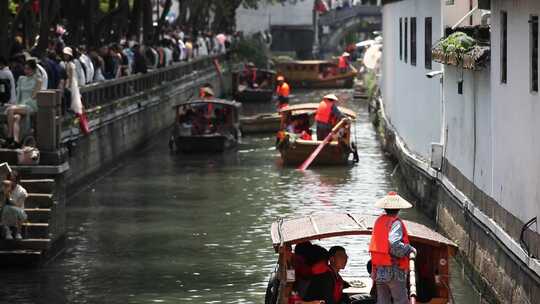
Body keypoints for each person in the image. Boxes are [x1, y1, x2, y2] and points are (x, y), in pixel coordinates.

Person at [369, 191, 417, 304]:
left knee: (382, 301)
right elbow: (394, 244)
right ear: (398, 209)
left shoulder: (378, 221)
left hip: (379, 269)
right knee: (401, 300)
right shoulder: (395, 223)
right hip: (393, 269)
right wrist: (410, 249)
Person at [5, 60, 42, 148]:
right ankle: (16, 141)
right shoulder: (21, 79)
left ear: (33, 70)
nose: (26, 71)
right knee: (16, 117)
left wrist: (17, 106)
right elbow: (19, 95)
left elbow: (33, 96)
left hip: (31, 105)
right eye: (25, 69)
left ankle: (9, 136)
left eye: (28, 69)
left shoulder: (38, 80)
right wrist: (17, 105)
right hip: (21, 105)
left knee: (10, 109)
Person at [1, 171, 28, 240]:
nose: (12, 182)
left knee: (9, 208)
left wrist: (9, 197)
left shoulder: (22, 191)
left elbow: (18, 206)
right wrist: (4, 195)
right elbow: (2, 204)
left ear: (17, 181)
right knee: (5, 209)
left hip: (19, 213)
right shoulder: (4, 189)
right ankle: (7, 231)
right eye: (10, 180)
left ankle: (18, 232)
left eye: (13, 180)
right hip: (6, 213)